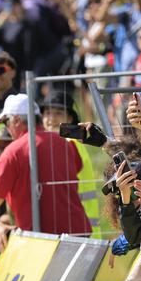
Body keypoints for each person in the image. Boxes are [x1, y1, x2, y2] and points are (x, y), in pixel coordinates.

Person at [0, 94, 91, 235]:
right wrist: (8, 169)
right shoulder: (65, 143)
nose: (7, 128)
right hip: (77, 232)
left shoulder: (13, 151)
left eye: (6, 122)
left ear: (16, 120)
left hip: (41, 237)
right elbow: (68, 169)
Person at [40, 90, 100, 234]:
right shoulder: (67, 142)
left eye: (59, 113)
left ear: (71, 118)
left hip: (77, 230)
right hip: (79, 227)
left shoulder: (68, 144)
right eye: (47, 113)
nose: (51, 119)